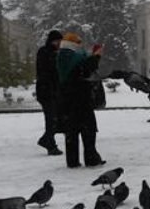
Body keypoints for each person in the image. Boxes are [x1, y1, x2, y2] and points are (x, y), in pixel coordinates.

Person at [56, 32, 105, 168]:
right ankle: (91, 158)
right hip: (80, 98)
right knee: (88, 129)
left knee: (71, 131)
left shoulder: (62, 56)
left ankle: (72, 161)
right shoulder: (75, 57)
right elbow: (85, 69)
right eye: (79, 43)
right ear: (74, 44)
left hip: (67, 98)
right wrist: (97, 56)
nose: (81, 46)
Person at [34, 30, 63, 155]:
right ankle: (48, 142)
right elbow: (47, 71)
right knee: (51, 118)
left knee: (54, 118)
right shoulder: (45, 52)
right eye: (57, 41)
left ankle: (48, 140)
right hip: (46, 90)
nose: (59, 43)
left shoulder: (53, 52)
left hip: (51, 90)